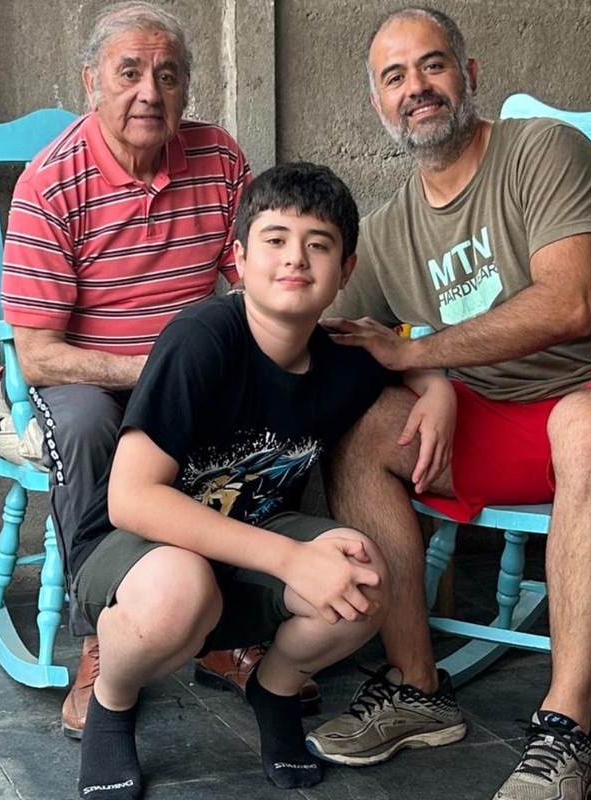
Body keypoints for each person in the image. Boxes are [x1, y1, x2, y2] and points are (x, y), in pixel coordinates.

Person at [303, 8, 591, 800]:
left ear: (469, 76)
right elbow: (327, 332)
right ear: (378, 105)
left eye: (433, 65)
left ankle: (566, 734)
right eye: (395, 77)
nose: (417, 88)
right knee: (360, 432)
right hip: (506, 422)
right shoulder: (389, 232)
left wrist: (419, 355)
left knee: (582, 424)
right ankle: (416, 687)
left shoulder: (543, 150)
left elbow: (571, 303)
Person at [68, 161, 456, 799]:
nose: (295, 258)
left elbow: (397, 347)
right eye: (275, 240)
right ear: (241, 259)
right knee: (178, 589)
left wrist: (439, 390)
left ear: (346, 271)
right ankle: (112, 698)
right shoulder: (202, 340)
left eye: (318, 244)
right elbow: (132, 499)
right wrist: (291, 559)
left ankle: (274, 691)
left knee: (363, 571)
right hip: (135, 554)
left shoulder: (338, 358)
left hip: (248, 541)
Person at [0, 1, 272, 740]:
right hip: (88, 379)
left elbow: (253, 280)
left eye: (168, 76)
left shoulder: (219, 159)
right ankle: (102, 635)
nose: (150, 93)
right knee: (87, 426)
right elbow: (38, 354)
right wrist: (152, 372)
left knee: (269, 396)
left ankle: (225, 632)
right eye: (129, 73)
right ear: (92, 81)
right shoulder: (51, 182)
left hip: (188, 372)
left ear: (185, 88)